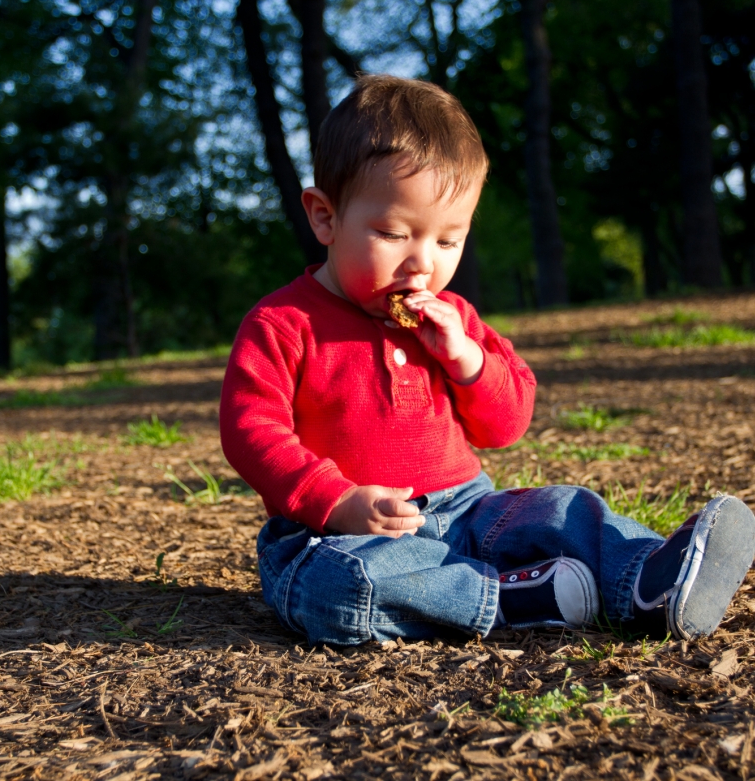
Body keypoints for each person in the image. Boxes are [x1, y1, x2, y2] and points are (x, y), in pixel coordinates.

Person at [220, 74, 755, 646]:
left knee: (565, 510)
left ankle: (649, 579)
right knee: (336, 586)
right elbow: (252, 431)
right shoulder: (284, 325)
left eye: (448, 241)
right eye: (393, 233)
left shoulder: (455, 319)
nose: (421, 264)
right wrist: (337, 501)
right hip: (338, 533)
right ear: (325, 217)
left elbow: (505, 426)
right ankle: (511, 599)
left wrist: (468, 360)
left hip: (469, 508)